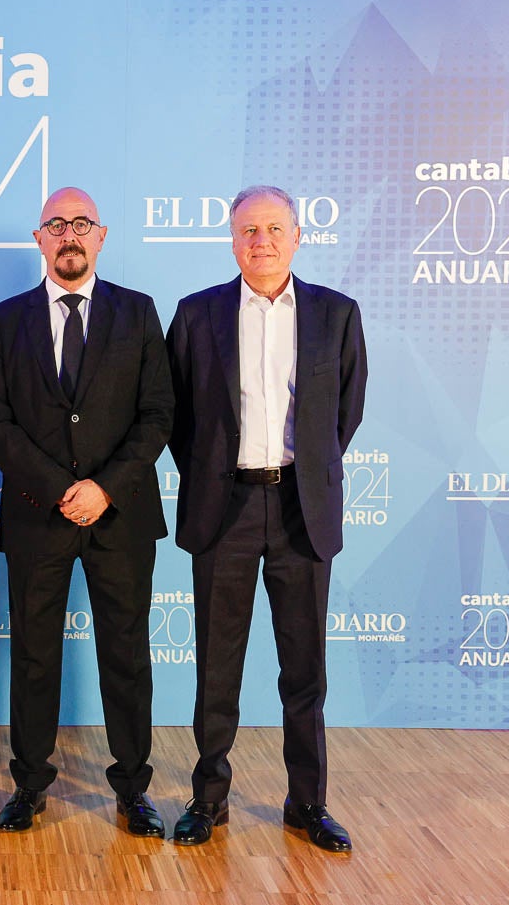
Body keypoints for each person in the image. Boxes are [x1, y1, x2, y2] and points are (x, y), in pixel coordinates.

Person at [166, 185, 367, 852]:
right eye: (248, 229)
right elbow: (176, 418)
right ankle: (207, 798)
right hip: (222, 508)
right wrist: (211, 471)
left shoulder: (335, 314)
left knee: (303, 669)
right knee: (216, 665)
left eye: (274, 227)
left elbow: (345, 410)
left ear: (296, 235)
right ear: (232, 240)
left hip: (299, 508)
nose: (261, 240)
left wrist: (306, 471)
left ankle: (306, 802)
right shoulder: (196, 315)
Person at [0, 187, 174, 836]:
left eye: (80, 223)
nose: (68, 234)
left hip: (120, 516)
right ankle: (29, 785)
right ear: (39, 239)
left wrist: (104, 487)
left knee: (126, 653)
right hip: (39, 514)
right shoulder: (5, 322)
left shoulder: (139, 313)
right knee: (33, 656)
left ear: (101, 235)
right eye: (55, 224)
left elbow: (157, 415)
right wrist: (64, 486)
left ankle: (132, 788)